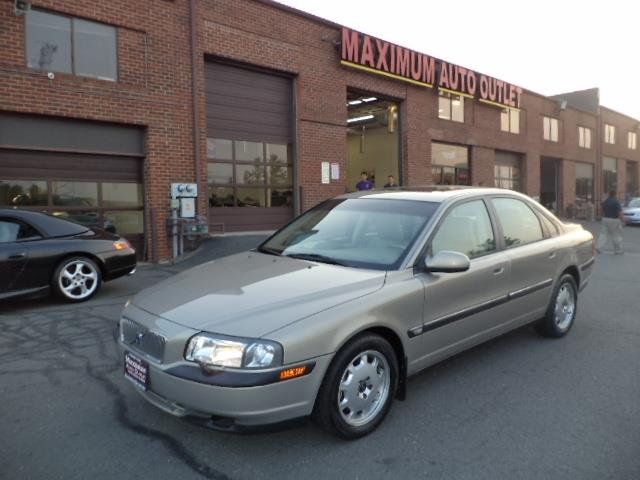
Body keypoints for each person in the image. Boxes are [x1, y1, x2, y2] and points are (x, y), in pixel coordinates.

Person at [597, 190, 625, 254]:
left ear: (609, 194)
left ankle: (599, 247)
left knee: (603, 234)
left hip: (605, 219)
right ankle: (618, 250)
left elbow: (601, 210)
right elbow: (620, 212)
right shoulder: (616, 201)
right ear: (615, 194)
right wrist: (623, 220)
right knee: (616, 235)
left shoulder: (605, 201)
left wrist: (601, 216)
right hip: (614, 219)